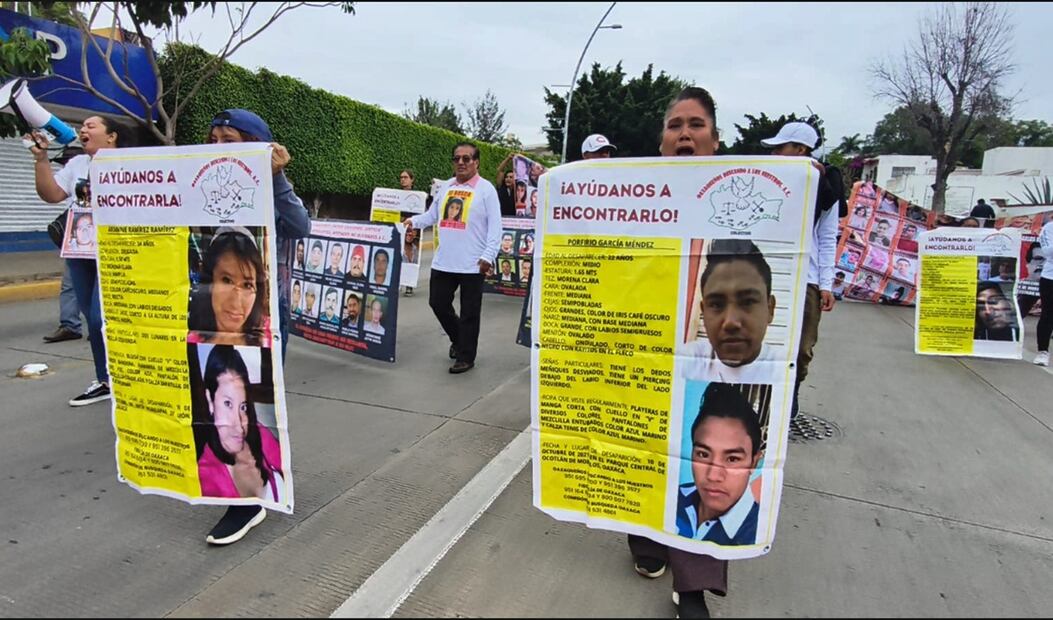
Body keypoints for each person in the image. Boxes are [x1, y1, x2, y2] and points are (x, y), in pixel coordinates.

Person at [628, 86, 733, 620]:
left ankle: (691, 584)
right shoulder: (631, 199)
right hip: (641, 348)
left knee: (701, 457)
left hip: (707, 356)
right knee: (642, 447)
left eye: (696, 124)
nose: (685, 133)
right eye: (675, 125)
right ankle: (645, 539)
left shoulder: (739, 202)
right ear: (662, 140)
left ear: (715, 140)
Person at [204, 108, 310, 545]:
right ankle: (236, 482)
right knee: (218, 401)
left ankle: (248, 501)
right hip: (212, 316)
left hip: (263, 319)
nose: (218, 149)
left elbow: (301, 226)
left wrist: (277, 177)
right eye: (213, 141)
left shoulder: (274, 189)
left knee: (252, 401)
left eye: (229, 140)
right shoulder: (204, 187)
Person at [29, 115, 129, 406]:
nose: (83, 129)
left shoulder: (131, 162)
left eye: (92, 126)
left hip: (116, 251)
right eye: (82, 126)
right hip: (80, 250)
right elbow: (51, 194)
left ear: (112, 137)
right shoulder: (76, 165)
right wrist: (41, 160)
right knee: (90, 316)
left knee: (101, 319)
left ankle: (121, 375)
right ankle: (105, 379)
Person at [760, 120, 840, 420]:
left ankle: (790, 393)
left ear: (802, 150)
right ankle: (764, 399)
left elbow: (828, 235)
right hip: (767, 271)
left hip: (805, 277)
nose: (775, 155)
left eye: (781, 148)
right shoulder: (764, 179)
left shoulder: (827, 186)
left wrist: (825, 284)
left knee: (802, 348)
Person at [403, 141, 502, 374]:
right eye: (456, 158)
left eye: (466, 159)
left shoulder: (486, 190)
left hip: (473, 263)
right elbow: (432, 215)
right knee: (437, 303)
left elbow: (496, 228)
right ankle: (459, 339)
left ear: (476, 163)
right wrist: (413, 222)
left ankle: (466, 356)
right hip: (444, 260)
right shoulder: (446, 187)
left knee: (470, 312)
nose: (460, 163)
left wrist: (488, 255)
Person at [681, 239, 778, 386]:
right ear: (703, 312)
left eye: (748, 302)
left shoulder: (784, 370)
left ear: (770, 309)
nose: (731, 322)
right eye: (716, 304)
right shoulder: (685, 361)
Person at [675, 383, 762, 546]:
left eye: (732, 459)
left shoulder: (756, 530)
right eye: (703, 454)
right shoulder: (671, 496)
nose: (713, 476)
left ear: (754, 462)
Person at [195, 345, 284, 502]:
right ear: (210, 400)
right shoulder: (204, 472)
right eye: (228, 404)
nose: (238, 425)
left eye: (242, 407)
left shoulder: (261, 434)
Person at [188, 227, 269, 347]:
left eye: (247, 285)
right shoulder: (188, 339)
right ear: (209, 283)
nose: (236, 301)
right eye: (226, 280)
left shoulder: (269, 337)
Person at [43, 264, 84, 343]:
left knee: (98, 282)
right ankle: (70, 326)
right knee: (70, 283)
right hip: (76, 253)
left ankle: (98, 327)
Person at [1033, 217, 1053, 366]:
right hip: (1050, 277)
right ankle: (1043, 351)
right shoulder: (1049, 228)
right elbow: (1046, 251)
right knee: (1048, 314)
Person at [399, 169, 420, 297]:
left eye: (405, 177)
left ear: (412, 179)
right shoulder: (396, 195)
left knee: (411, 257)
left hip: (412, 229)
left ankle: (409, 285)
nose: (403, 179)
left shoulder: (417, 196)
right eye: (401, 177)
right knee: (399, 257)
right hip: (400, 228)